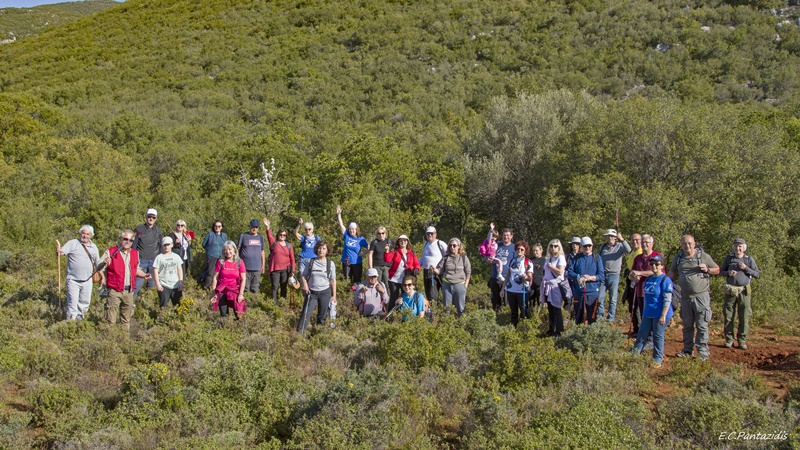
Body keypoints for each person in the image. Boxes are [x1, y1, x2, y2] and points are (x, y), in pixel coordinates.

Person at [669, 235, 720, 361]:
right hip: (685, 298)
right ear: (681, 245)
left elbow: (717, 269)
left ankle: (703, 351)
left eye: (690, 243)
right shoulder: (679, 258)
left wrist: (707, 269)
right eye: (685, 244)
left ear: (694, 243)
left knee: (702, 325)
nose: (688, 246)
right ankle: (687, 350)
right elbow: (671, 273)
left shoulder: (703, 256)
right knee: (687, 325)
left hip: (701, 297)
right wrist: (662, 283)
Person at [98, 230, 151, 329]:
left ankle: (124, 340)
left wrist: (144, 275)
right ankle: (110, 341)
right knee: (110, 320)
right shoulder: (111, 251)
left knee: (126, 320)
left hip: (129, 291)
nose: (128, 242)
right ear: (120, 239)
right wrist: (104, 263)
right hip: (114, 290)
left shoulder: (135, 253)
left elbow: (136, 270)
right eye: (125, 239)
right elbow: (98, 267)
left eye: (131, 240)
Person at [630, 254, 674, 368]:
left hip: (660, 313)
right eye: (652, 264)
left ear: (662, 266)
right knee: (642, 333)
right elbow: (646, 297)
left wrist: (663, 315)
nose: (654, 266)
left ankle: (657, 358)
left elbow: (667, 299)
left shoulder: (665, 279)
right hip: (648, 312)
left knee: (657, 335)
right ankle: (635, 353)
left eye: (657, 264)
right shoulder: (649, 279)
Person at [720, 238, 760, 350]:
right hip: (731, 291)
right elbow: (721, 271)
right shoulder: (729, 258)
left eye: (740, 246)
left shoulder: (748, 259)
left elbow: (757, 274)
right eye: (736, 246)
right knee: (728, 316)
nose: (738, 248)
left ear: (744, 248)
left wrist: (746, 268)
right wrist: (728, 273)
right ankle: (729, 340)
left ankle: (742, 340)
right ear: (733, 247)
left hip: (744, 291)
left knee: (744, 316)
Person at [56, 225, 101, 320]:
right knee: (72, 303)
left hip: (88, 280)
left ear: (91, 235)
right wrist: (58, 251)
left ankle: (81, 323)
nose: (85, 236)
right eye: (83, 233)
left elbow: (98, 263)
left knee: (84, 303)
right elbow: (61, 253)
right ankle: (70, 323)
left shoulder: (94, 247)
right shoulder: (73, 243)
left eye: (87, 234)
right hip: (73, 280)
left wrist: (102, 277)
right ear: (80, 233)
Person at [298, 240, 337, 332]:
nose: (321, 250)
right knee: (305, 315)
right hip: (312, 293)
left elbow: (332, 280)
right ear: (316, 249)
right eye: (319, 248)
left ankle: (318, 336)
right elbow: (303, 275)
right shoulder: (311, 262)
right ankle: (299, 335)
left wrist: (334, 295)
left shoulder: (330, 264)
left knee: (322, 317)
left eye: (324, 248)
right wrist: (305, 285)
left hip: (325, 293)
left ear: (327, 251)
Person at [628, 234, 661, 340]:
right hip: (640, 291)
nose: (645, 244)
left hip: (653, 291)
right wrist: (634, 277)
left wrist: (640, 273)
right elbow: (632, 273)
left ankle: (653, 338)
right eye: (643, 242)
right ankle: (645, 336)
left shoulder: (656, 256)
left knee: (653, 315)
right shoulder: (638, 258)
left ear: (652, 244)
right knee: (643, 315)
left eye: (647, 242)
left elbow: (656, 272)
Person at [567, 237, 605, 325]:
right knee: (579, 318)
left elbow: (601, 275)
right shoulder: (576, 258)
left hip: (592, 292)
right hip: (578, 292)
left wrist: (589, 278)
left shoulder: (597, 257)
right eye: (585, 246)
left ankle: (591, 337)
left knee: (592, 318)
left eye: (589, 246)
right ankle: (579, 336)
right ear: (581, 246)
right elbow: (569, 272)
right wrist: (579, 276)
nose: (587, 248)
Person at [431, 238, 471, 316]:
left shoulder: (463, 258)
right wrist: (435, 270)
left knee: (461, 308)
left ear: (459, 246)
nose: (452, 247)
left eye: (454, 245)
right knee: (447, 308)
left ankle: (461, 324)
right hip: (447, 285)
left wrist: (465, 285)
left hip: (460, 284)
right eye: (450, 245)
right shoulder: (446, 258)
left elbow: (468, 272)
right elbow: (440, 270)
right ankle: (447, 325)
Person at [597, 229, 631, 322]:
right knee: (600, 297)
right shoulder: (603, 247)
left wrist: (622, 239)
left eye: (612, 236)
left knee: (613, 299)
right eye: (608, 236)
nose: (610, 238)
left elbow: (629, 250)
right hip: (603, 275)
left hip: (614, 275)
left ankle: (610, 318)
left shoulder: (620, 246)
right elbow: (598, 259)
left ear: (615, 238)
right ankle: (600, 317)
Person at [209, 241, 247, 319]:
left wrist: (241, 294)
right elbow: (215, 277)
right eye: (225, 250)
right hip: (222, 290)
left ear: (234, 251)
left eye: (230, 249)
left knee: (239, 314)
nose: (227, 251)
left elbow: (243, 279)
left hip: (234, 290)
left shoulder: (240, 262)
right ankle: (224, 329)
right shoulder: (221, 262)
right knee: (223, 315)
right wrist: (214, 293)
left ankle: (238, 329)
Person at [501, 241, 534, 327]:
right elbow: (508, 275)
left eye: (522, 249)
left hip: (522, 290)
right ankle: (514, 329)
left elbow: (530, 277)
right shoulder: (512, 261)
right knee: (513, 311)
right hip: (511, 289)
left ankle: (524, 329)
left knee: (524, 311)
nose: (519, 250)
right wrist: (503, 288)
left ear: (525, 251)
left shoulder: (528, 262)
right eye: (518, 249)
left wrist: (526, 277)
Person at [264, 220, 296, 302]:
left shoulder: (289, 246)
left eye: (284, 235)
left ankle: (283, 302)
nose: (282, 236)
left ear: (286, 236)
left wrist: (293, 270)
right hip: (275, 269)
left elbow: (292, 259)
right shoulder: (274, 243)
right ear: (278, 235)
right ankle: (274, 304)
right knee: (274, 287)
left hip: (285, 270)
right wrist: (268, 227)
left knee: (283, 286)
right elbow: (269, 235)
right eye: (280, 234)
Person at [132, 208, 163, 296]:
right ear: (146, 217)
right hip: (141, 260)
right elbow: (134, 245)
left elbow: (160, 245)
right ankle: (130, 303)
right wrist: (134, 259)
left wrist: (160, 259)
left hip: (154, 260)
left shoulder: (158, 230)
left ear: (156, 218)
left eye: (153, 217)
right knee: (137, 284)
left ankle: (147, 303)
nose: (151, 219)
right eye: (149, 217)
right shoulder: (139, 229)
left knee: (152, 285)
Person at [384, 235, 420, 307]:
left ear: (407, 242)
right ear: (398, 242)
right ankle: (391, 314)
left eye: (404, 240)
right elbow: (387, 260)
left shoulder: (411, 253)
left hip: (406, 280)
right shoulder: (394, 251)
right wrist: (386, 251)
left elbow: (416, 263)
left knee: (405, 297)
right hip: (394, 279)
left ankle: (404, 314)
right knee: (394, 297)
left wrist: (416, 269)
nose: (403, 242)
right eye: (401, 241)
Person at [336, 205, 368, 286]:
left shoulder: (361, 239)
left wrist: (363, 254)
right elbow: (341, 225)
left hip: (357, 262)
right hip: (346, 262)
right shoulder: (346, 235)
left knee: (357, 280)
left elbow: (369, 247)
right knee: (347, 280)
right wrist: (339, 214)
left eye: (353, 229)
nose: (351, 230)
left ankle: (357, 296)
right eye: (350, 229)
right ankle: (347, 295)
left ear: (356, 230)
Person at [541, 239, 567, 336]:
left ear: (559, 247)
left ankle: (559, 331)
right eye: (551, 246)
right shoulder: (548, 258)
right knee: (550, 309)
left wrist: (551, 266)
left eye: (555, 246)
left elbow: (560, 272)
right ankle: (551, 329)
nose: (553, 248)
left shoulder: (561, 258)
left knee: (556, 309)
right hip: (547, 286)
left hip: (556, 286)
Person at [488, 225, 515, 312]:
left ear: (511, 236)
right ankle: (495, 317)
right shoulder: (496, 245)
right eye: (504, 235)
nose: (505, 237)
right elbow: (488, 255)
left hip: (507, 278)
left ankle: (505, 318)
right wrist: (487, 260)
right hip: (495, 276)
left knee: (507, 301)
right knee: (495, 300)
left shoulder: (514, 248)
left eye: (507, 235)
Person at [152, 236, 184, 308]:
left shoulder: (176, 257)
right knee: (163, 305)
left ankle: (177, 318)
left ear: (172, 245)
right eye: (165, 245)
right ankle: (162, 318)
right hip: (164, 285)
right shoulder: (159, 257)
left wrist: (181, 282)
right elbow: (155, 271)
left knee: (178, 305)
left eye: (168, 244)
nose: (166, 247)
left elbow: (179, 269)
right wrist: (158, 284)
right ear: (162, 246)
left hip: (175, 285)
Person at [420, 226, 448, 304]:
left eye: (431, 233)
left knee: (433, 295)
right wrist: (416, 266)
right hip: (426, 272)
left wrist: (441, 268)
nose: (430, 235)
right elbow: (423, 258)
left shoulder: (440, 243)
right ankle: (430, 312)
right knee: (428, 294)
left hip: (436, 273)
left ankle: (435, 312)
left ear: (435, 234)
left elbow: (447, 256)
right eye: (428, 234)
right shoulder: (426, 244)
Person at [237, 219, 266, 293]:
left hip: (257, 268)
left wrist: (263, 265)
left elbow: (262, 251)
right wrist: (236, 263)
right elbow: (238, 249)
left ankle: (253, 304)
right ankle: (244, 303)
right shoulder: (243, 236)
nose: (254, 229)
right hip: (244, 267)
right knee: (245, 287)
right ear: (250, 226)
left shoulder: (260, 237)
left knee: (255, 288)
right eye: (253, 227)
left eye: (256, 227)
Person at [201, 220, 227, 289]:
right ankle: (207, 287)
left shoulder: (224, 235)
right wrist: (209, 250)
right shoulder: (210, 234)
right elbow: (203, 244)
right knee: (210, 273)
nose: (217, 227)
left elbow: (226, 245)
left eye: (219, 226)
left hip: (221, 257)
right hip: (212, 256)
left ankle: (219, 287)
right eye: (216, 226)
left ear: (221, 227)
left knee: (221, 273)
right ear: (213, 227)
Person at [623, 233, 643, 319]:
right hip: (630, 280)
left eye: (637, 240)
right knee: (631, 305)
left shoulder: (641, 252)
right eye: (633, 240)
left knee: (636, 306)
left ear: (641, 241)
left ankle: (638, 328)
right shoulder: (632, 252)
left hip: (637, 281)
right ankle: (635, 328)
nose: (635, 242)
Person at [530, 243, 546, 317]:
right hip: (531, 285)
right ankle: (531, 317)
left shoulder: (544, 260)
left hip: (540, 285)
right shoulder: (530, 260)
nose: (535, 252)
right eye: (533, 251)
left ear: (541, 250)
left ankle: (540, 317)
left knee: (540, 303)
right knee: (531, 303)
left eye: (536, 251)